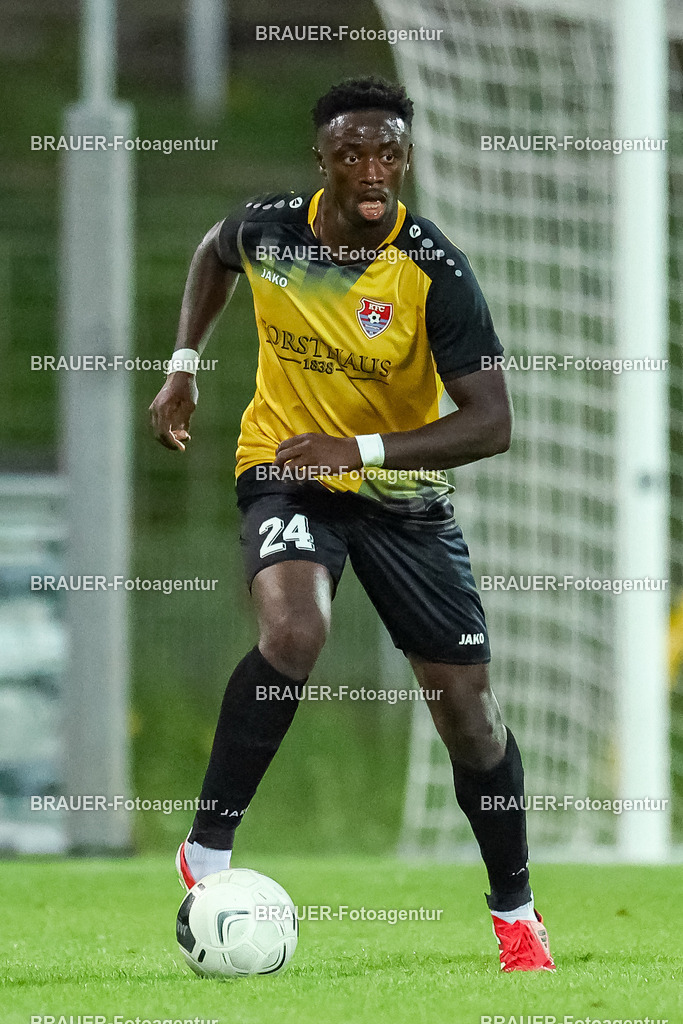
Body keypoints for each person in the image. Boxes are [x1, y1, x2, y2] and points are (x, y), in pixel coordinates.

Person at [149, 77, 555, 973]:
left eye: (389, 156)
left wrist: (363, 447)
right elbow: (213, 254)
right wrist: (183, 365)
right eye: (353, 156)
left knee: (469, 716)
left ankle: (516, 913)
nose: (373, 173)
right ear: (321, 162)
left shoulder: (432, 272)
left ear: (404, 160)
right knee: (295, 630)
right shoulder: (270, 228)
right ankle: (208, 849)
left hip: (400, 496)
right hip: (286, 468)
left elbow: (492, 423)